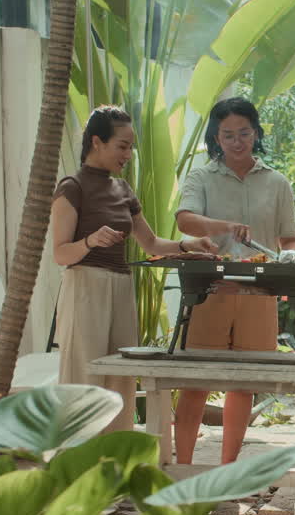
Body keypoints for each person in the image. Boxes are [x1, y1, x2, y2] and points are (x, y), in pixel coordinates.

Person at [51, 105, 217, 433]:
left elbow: (152, 244)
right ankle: (76, 461)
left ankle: (115, 460)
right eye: (122, 146)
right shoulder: (72, 187)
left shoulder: (123, 190)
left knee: (121, 379)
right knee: (84, 375)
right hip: (86, 287)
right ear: (97, 142)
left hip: (122, 288)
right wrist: (90, 242)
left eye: (131, 147)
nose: (128, 154)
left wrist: (188, 245)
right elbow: (59, 254)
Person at [173, 97, 295, 465]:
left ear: (256, 133)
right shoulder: (202, 176)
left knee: (244, 383)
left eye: (244, 132)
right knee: (196, 382)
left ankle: (228, 469)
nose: (236, 141)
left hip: (260, 292)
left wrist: (294, 256)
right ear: (216, 137)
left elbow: (289, 238)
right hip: (211, 289)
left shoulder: (277, 182)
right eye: (227, 135)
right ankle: (182, 466)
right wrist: (226, 227)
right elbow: (185, 220)